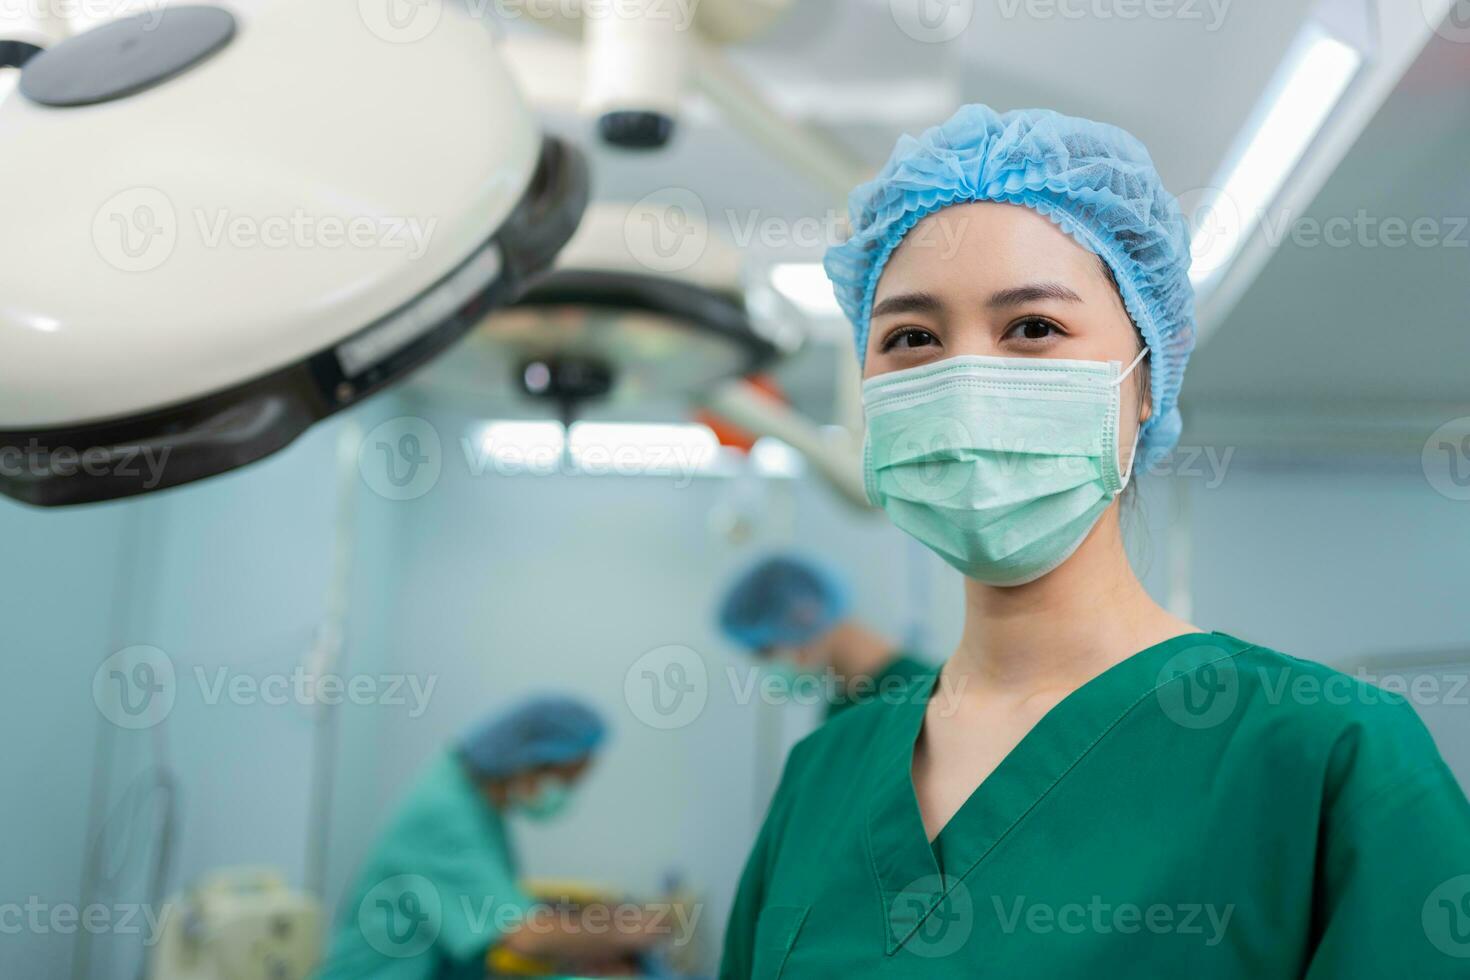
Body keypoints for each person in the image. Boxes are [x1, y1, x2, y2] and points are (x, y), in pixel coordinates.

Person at [719, 105, 1470, 977]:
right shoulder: (823, 779)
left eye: (1033, 328)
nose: (969, 379)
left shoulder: (1326, 758)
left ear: (1145, 377)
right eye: (911, 338)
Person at [321, 695, 662, 979]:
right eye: (565, 782)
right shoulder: (447, 811)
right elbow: (523, 936)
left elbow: (491, 904)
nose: (564, 795)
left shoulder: (476, 801)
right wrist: (620, 933)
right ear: (530, 760)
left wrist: (589, 933)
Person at [716, 554, 931, 716]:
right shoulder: (840, 710)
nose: (772, 667)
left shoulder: (927, 694)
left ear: (803, 615)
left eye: (766, 652)